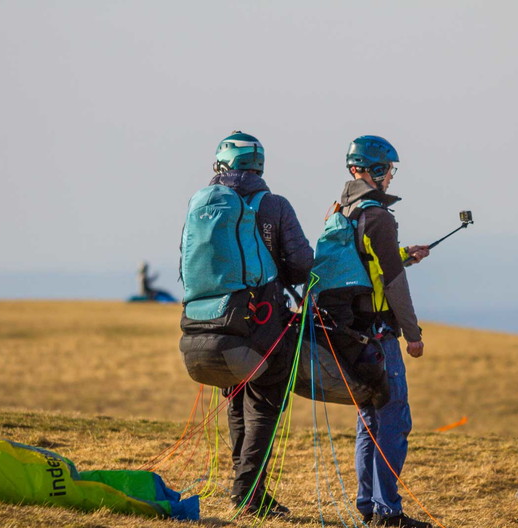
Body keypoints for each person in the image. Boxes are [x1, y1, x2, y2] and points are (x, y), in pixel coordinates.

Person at [183, 131, 313, 517]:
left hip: (209, 319)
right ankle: (249, 496)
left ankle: (246, 491)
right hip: (263, 321)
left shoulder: (202, 207)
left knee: (238, 401)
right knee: (265, 403)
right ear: (258, 166)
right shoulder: (273, 204)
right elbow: (303, 263)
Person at [338, 135, 432, 528]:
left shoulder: (343, 210)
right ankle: (388, 512)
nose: (391, 177)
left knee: (369, 420)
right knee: (392, 419)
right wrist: (412, 333)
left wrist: (403, 255)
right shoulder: (378, 215)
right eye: (389, 169)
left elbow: (367, 266)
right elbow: (392, 284)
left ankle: (369, 507)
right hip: (378, 335)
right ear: (374, 170)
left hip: (350, 334)